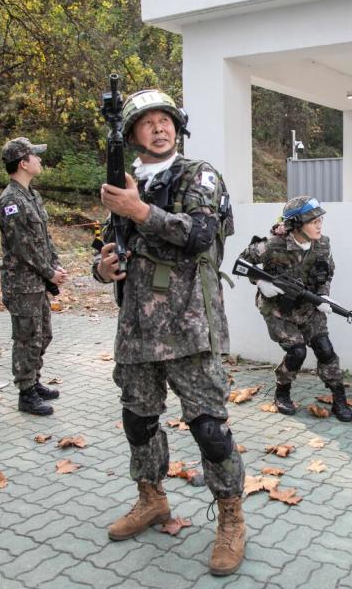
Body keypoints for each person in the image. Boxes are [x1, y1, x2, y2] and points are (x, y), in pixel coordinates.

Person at [92, 89, 245, 576]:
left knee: (209, 430)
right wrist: (102, 268)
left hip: (189, 324)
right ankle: (152, 498)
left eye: (167, 120)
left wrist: (141, 211)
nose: (160, 128)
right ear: (132, 134)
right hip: (135, 327)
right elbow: (108, 242)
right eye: (148, 122)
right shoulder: (125, 182)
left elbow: (200, 235)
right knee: (138, 420)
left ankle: (231, 518)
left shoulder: (199, 174)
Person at [238, 196, 352, 422]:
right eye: (313, 221)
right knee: (297, 351)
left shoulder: (322, 244)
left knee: (324, 348)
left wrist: (323, 295)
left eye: (320, 220)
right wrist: (261, 283)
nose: (319, 225)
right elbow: (243, 263)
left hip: (309, 306)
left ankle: (339, 397)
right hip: (278, 309)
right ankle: (282, 391)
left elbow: (326, 272)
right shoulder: (272, 245)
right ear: (297, 224)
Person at [0, 137, 67, 416]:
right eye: (35, 157)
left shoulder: (32, 196)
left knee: (43, 334)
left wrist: (55, 265)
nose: (40, 160)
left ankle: (34, 381)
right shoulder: (11, 201)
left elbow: (43, 239)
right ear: (23, 163)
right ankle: (25, 393)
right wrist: (49, 271)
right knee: (27, 338)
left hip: (37, 281)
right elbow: (22, 246)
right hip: (22, 284)